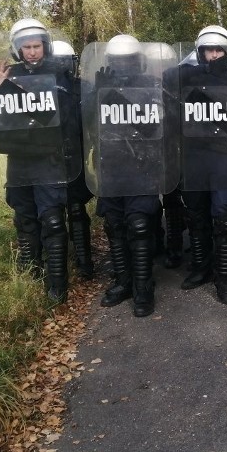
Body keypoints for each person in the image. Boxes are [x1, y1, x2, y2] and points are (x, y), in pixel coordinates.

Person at [0, 18, 80, 303]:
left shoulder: (58, 74)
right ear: (16, 49)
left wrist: (5, 89)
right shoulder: (8, 73)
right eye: (26, 47)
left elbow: (53, 114)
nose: (32, 52)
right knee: (25, 220)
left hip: (49, 159)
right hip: (18, 159)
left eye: (36, 46)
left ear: (44, 46)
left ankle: (57, 287)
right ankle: (31, 276)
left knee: (53, 220)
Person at [83, 34, 177, 316]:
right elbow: (84, 123)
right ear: (110, 62)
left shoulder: (152, 87)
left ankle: (143, 287)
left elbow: (165, 122)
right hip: (110, 168)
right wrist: (98, 94)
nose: (123, 66)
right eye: (118, 62)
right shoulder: (101, 87)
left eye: (128, 61)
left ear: (139, 61)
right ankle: (123, 282)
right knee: (115, 226)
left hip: (142, 168)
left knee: (139, 226)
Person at [177, 25, 227, 304]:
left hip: (224, 156)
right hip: (193, 156)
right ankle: (200, 268)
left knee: (224, 216)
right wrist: (203, 71)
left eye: (219, 49)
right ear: (200, 51)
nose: (214, 54)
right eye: (209, 49)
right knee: (195, 214)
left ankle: (224, 277)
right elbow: (168, 79)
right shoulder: (187, 76)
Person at [51, 40, 95, 280]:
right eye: (61, 62)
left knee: (76, 209)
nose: (65, 67)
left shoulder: (82, 87)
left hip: (75, 153)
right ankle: (69, 261)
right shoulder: (39, 88)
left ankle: (84, 261)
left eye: (67, 61)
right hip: (48, 157)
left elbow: (92, 120)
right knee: (55, 213)